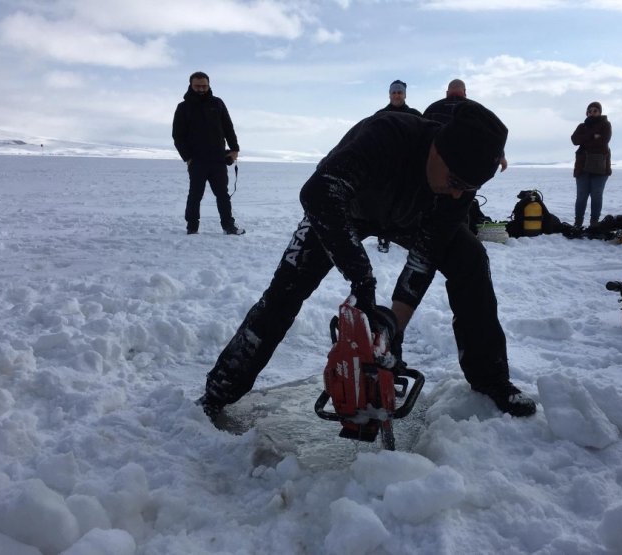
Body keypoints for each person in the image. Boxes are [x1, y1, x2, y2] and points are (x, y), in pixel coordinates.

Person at [197, 101, 537, 424]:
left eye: (469, 189)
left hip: (408, 218)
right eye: (455, 182)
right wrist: (362, 280)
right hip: (340, 210)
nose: (457, 195)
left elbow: (426, 255)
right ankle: (220, 391)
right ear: (438, 148)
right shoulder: (387, 133)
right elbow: (317, 192)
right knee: (285, 291)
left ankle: (491, 381)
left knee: (471, 258)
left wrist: (390, 327)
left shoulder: (455, 191)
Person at [172, 71, 243, 235]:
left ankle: (228, 226)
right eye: (197, 86)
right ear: (191, 85)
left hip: (218, 158)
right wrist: (187, 158)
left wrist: (234, 149)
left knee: (223, 195)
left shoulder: (217, 103)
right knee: (195, 195)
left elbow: (228, 127)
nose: (201, 89)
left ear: (209, 85)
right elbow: (178, 136)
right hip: (196, 160)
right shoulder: (183, 108)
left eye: (204, 86)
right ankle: (192, 227)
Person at [375, 80, 422, 253]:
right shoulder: (381, 114)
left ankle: (411, 238)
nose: (396, 95)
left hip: (409, 167)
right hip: (385, 167)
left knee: (410, 203)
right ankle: (384, 237)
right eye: (394, 92)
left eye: (399, 92)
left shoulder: (415, 114)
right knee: (385, 204)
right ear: (389, 94)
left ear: (405, 94)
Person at [423, 79, 508, 172]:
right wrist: (501, 156)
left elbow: (422, 133)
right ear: (464, 92)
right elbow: (492, 134)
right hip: (467, 166)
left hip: (436, 164)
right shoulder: (477, 109)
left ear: (447, 92)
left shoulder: (432, 109)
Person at [570, 101, 612, 228]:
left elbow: (603, 142)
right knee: (581, 196)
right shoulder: (582, 126)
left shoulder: (605, 124)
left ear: (600, 112)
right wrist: (592, 136)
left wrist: (586, 140)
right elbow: (574, 140)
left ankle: (594, 224)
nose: (592, 113)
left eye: (595, 110)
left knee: (596, 196)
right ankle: (578, 223)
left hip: (600, 167)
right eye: (589, 111)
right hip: (582, 167)